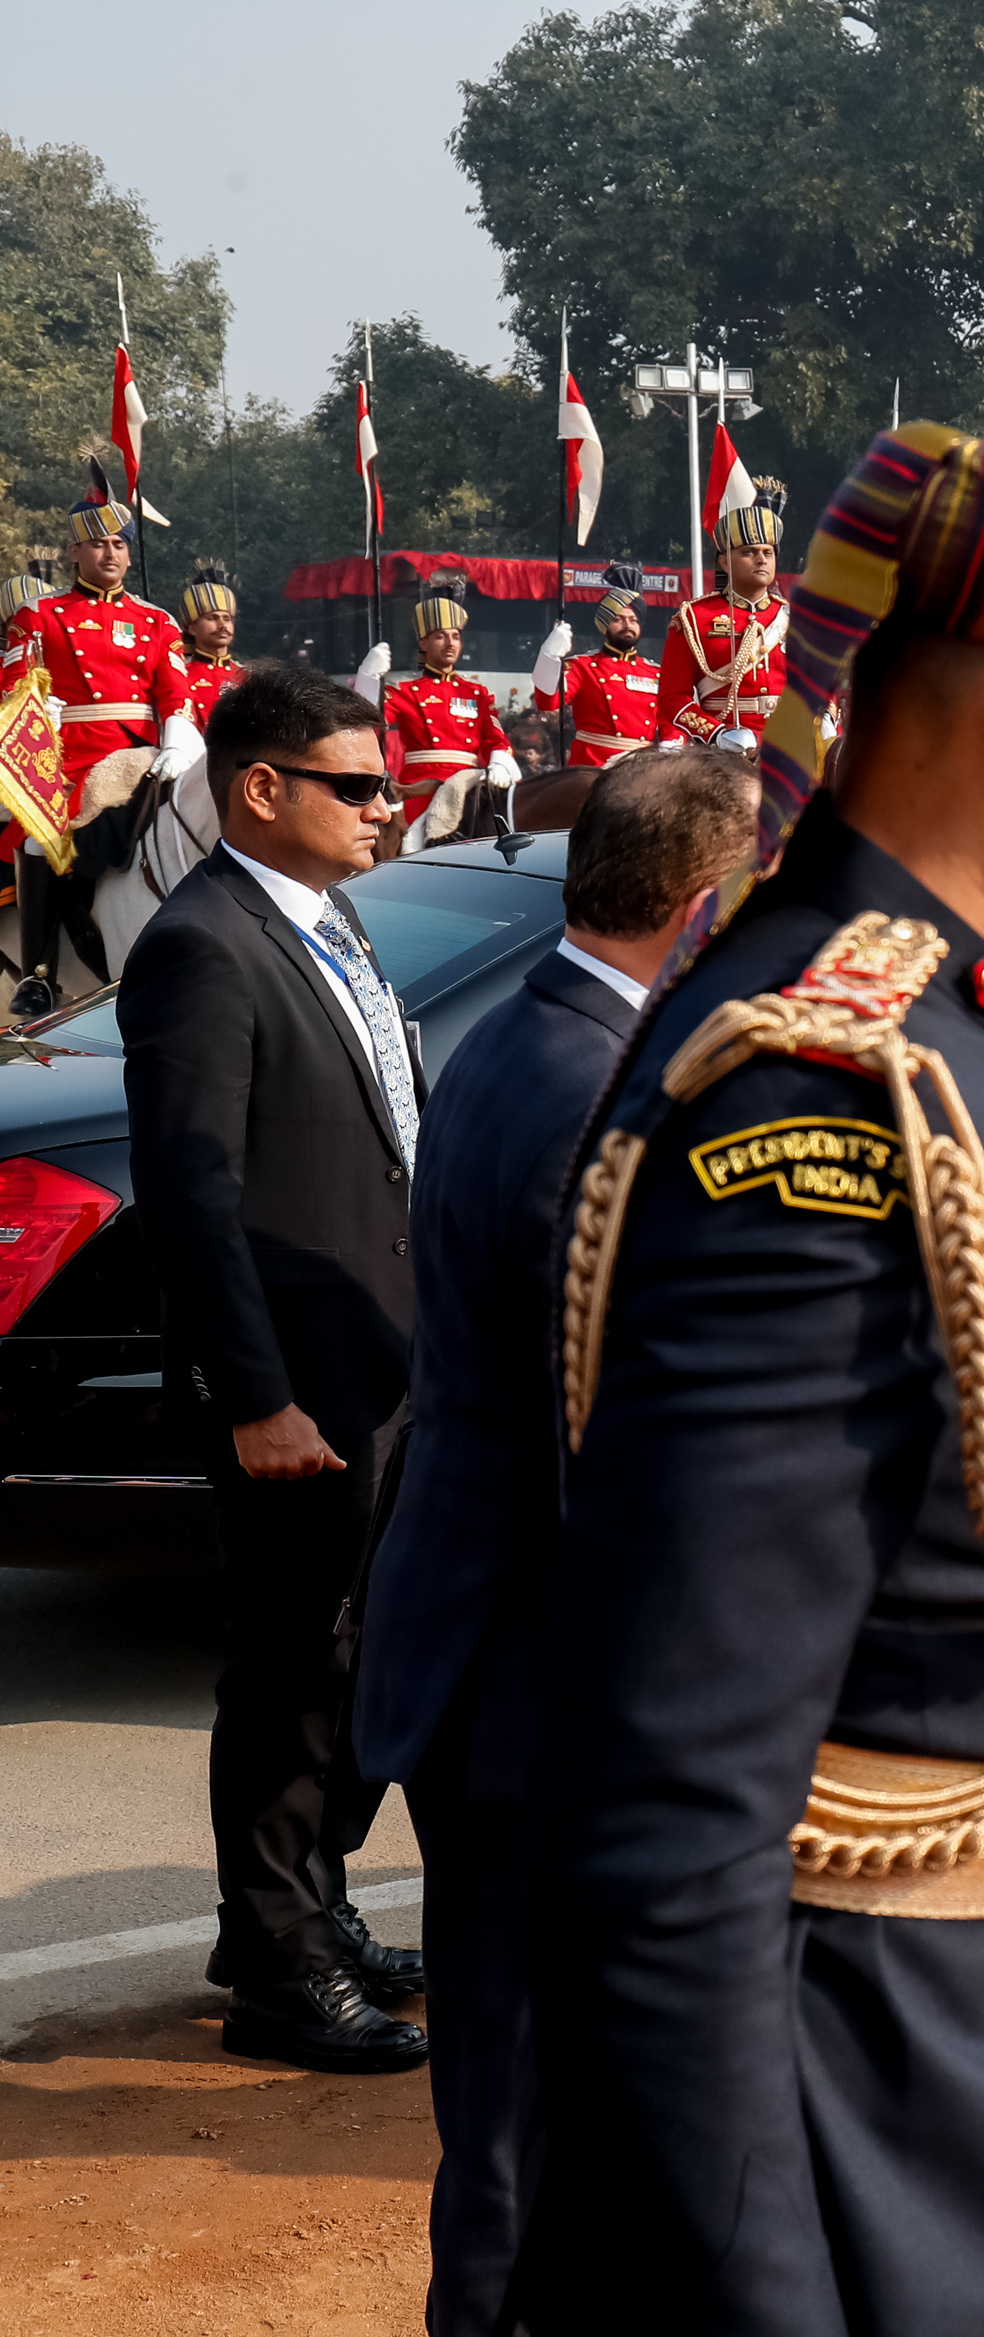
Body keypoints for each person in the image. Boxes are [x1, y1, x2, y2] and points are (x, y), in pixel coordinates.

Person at [517, 242, 984, 2326]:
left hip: (973, 2045)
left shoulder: (968, 1034)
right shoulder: (837, 1103)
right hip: (853, 2124)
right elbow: (674, 1810)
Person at [355, 744, 757, 2333]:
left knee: (510, 2098)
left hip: (476, 1628)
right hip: (537, 1667)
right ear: (704, 905)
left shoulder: (525, 1032)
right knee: (526, 2121)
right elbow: (618, 1451)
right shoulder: (612, 1101)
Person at [119, 660, 428, 2074]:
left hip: (378, 1363)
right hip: (294, 1386)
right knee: (293, 1671)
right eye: (359, 784)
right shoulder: (204, 947)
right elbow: (194, 1193)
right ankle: (279, 1967)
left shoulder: (325, 917)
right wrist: (253, 1396)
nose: (389, 803)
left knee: (355, 1661)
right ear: (262, 788)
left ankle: (303, 1916)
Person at [2, 488, 195, 1013]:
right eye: (96, 544)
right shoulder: (38, 615)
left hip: (146, 750)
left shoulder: (159, 621)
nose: (109, 553)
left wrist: (177, 740)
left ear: (130, 554)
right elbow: (15, 694)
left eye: (118, 544)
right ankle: (38, 975)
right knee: (44, 836)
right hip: (69, 759)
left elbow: (175, 692)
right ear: (73, 552)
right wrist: (40, 716)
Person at [380, 583, 522, 842]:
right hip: (422, 788)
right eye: (440, 636)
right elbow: (371, 719)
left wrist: (499, 759)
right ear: (423, 642)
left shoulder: (476, 692)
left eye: (456, 636)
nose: (450, 643)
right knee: (409, 845)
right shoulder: (406, 691)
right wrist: (369, 680)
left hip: (471, 784)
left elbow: (495, 739)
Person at [652, 496, 790, 752]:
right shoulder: (693, 617)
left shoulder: (794, 619)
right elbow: (673, 698)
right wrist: (718, 735)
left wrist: (825, 719)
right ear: (725, 562)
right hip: (723, 749)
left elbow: (820, 684)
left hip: (790, 748)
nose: (761, 559)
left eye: (767, 552)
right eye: (749, 552)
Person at [533, 566, 665, 769]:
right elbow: (548, 702)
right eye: (618, 619)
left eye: (633, 620)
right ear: (605, 625)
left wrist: (672, 744)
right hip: (593, 765)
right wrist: (549, 657)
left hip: (643, 767)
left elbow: (671, 718)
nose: (627, 626)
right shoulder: (583, 667)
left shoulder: (655, 672)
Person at [175, 563, 249, 732]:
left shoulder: (246, 677)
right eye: (212, 618)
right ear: (192, 628)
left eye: (227, 618)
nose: (223, 625)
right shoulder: (180, 674)